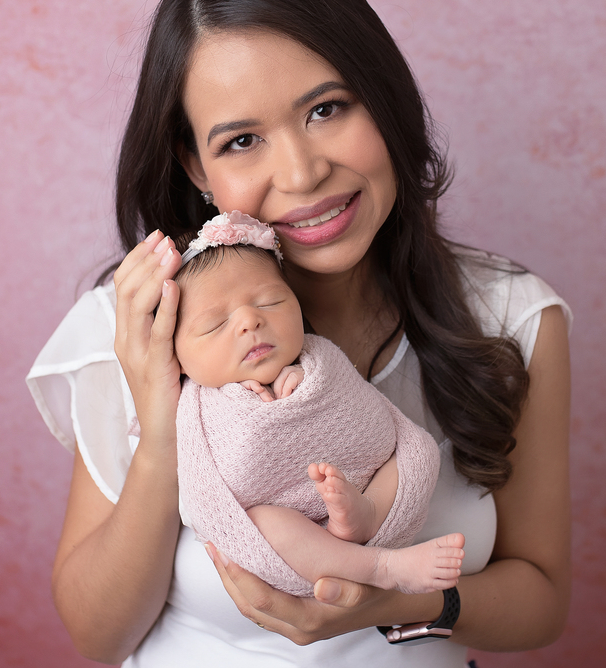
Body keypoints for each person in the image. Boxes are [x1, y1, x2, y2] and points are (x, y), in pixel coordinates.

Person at [25, 0, 572, 667]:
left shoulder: (511, 319)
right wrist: (160, 432)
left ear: (385, 98)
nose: (302, 172)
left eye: (326, 108)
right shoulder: (134, 327)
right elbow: (99, 637)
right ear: (196, 166)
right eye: (241, 140)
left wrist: (398, 603)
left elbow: (541, 602)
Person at [168, 210, 465, 597]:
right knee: (266, 525)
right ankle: (380, 567)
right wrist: (251, 406)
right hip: (285, 523)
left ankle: (368, 512)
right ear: (174, 352)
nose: (249, 322)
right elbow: (203, 492)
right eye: (214, 324)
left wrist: (309, 385)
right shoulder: (193, 406)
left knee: (417, 453)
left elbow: (368, 424)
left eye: (270, 301)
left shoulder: (318, 358)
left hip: (359, 484)